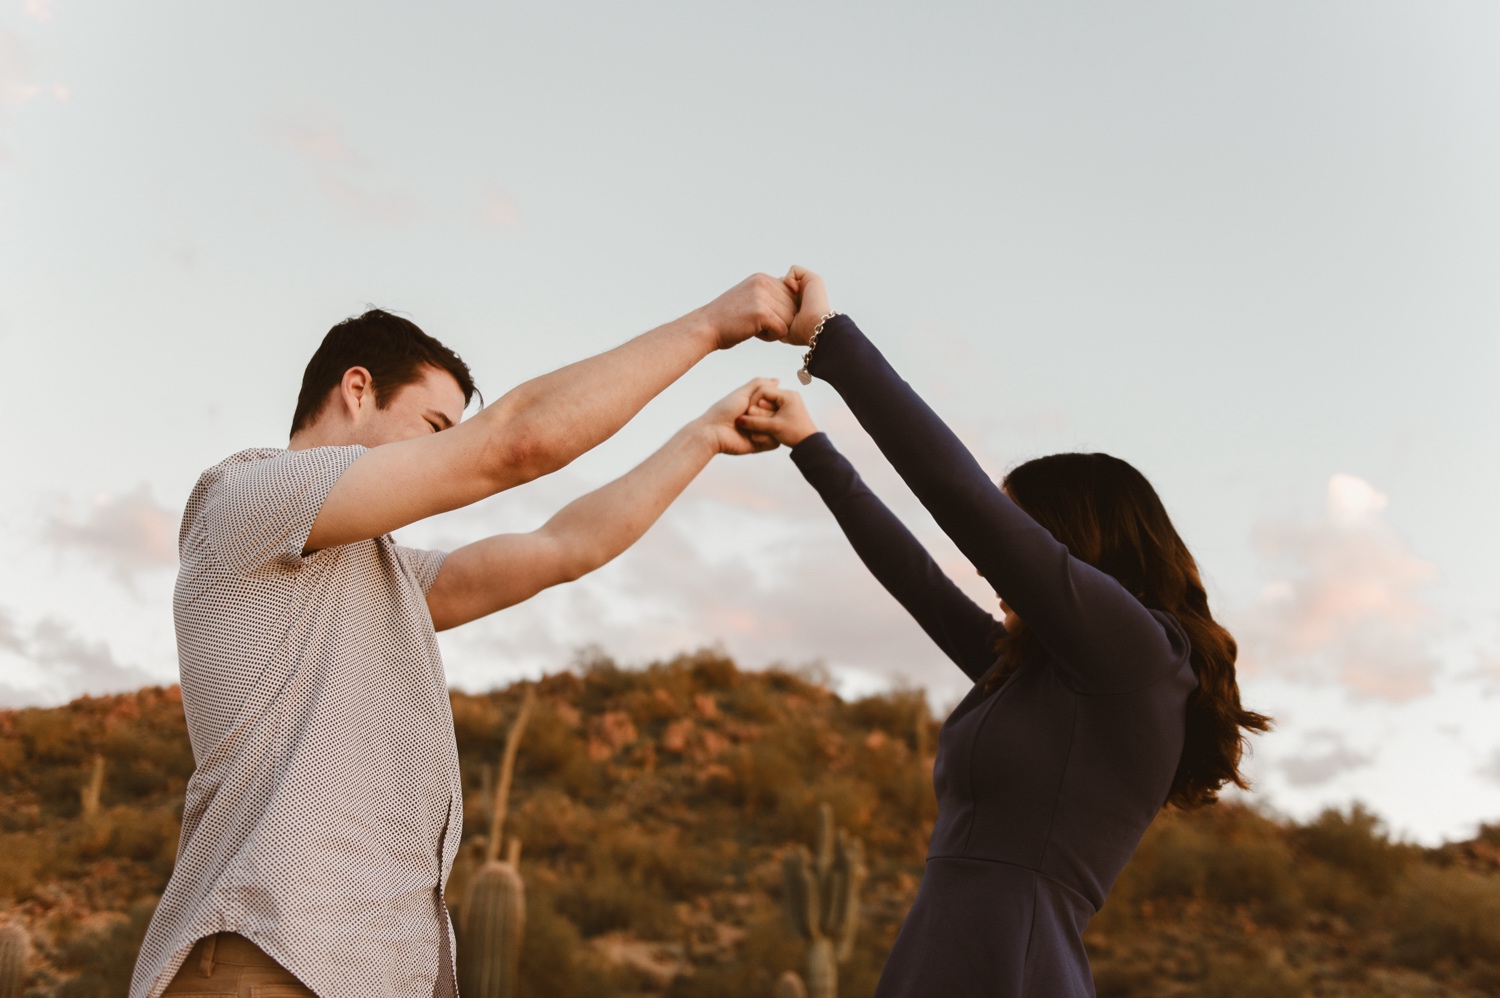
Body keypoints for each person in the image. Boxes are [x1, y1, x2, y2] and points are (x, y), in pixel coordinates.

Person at [129, 275, 797, 998]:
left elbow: (565, 547)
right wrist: (714, 324)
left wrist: (703, 436)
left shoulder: (384, 572)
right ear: (358, 390)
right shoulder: (251, 496)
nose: (449, 448)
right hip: (269, 963)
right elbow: (516, 444)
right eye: (438, 427)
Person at [737, 268, 1270, 997]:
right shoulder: (1038, 674)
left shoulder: (1138, 657)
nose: (995, 573)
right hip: (941, 949)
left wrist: (833, 343)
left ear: (1079, 544)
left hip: (1011, 963)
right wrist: (812, 447)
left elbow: (968, 507)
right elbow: (921, 584)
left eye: (1026, 536)